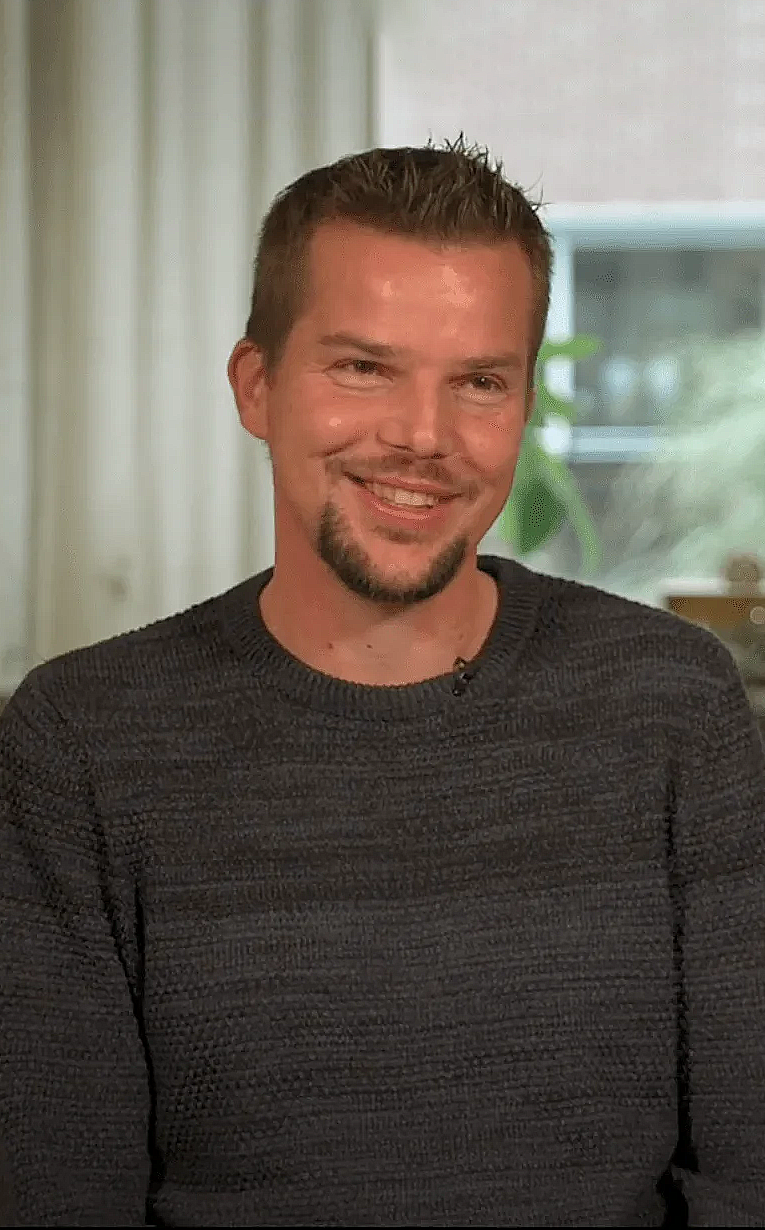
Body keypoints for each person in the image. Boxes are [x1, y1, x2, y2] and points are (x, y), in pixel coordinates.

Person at [1, 135, 764, 1229]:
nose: (422, 437)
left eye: (479, 382)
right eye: (363, 367)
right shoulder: (82, 739)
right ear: (256, 387)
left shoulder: (672, 701)